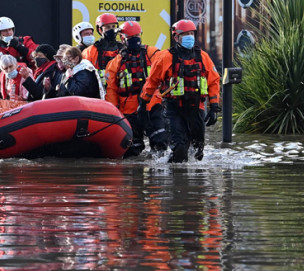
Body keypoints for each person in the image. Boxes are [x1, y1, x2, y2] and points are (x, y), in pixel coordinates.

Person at [140, 19, 221, 163]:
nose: (189, 37)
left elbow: (213, 80)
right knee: (180, 148)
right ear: (176, 37)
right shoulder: (165, 57)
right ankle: (175, 177)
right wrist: (144, 102)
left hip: (197, 107)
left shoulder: (203, 57)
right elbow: (152, 81)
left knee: (198, 150)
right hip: (174, 108)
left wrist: (214, 106)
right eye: (185, 34)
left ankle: (195, 182)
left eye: (191, 33)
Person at [104, 21, 168, 157]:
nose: (135, 39)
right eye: (131, 36)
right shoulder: (115, 63)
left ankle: (159, 174)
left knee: (160, 142)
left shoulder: (152, 53)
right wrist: (113, 112)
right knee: (132, 148)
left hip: (152, 105)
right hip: (129, 110)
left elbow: (166, 71)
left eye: (137, 35)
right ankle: (134, 174)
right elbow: (112, 90)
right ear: (123, 38)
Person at [0, 16, 38, 101]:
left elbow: (37, 57)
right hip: (8, 94)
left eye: (10, 30)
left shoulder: (25, 42)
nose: (9, 33)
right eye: (5, 31)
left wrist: (20, 48)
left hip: (30, 89)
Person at [82, 13, 124, 82]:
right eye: (107, 27)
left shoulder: (123, 49)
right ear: (100, 30)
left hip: (119, 90)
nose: (112, 30)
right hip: (97, 91)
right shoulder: (89, 52)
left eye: (113, 26)